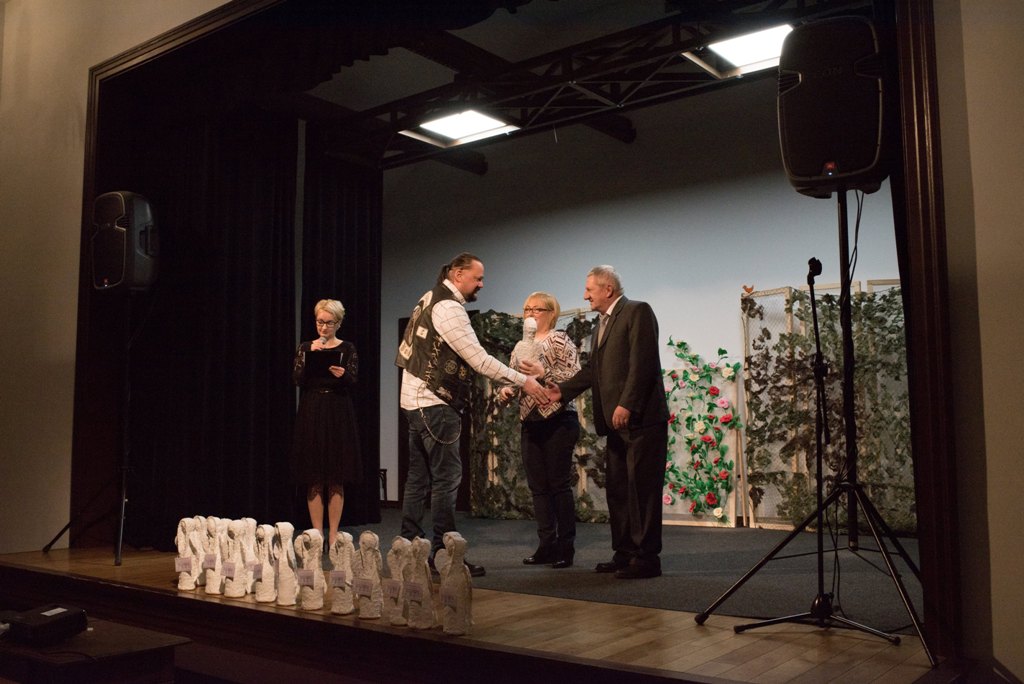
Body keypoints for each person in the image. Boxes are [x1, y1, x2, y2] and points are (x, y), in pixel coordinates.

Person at [396, 252, 549, 577]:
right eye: (477, 278)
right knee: (446, 479)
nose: (481, 284)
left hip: (413, 401)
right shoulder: (449, 308)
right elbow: (478, 360)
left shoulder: (429, 297)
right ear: (457, 274)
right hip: (435, 403)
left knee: (418, 479)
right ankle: (444, 554)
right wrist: (524, 381)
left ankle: (408, 550)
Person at [536, 265, 668, 579]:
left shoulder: (637, 311)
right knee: (618, 490)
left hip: (642, 420)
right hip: (616, 423)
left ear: (607, 289)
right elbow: (593, 370)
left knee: (642, 490)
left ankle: (647, 559)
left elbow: (643, 363)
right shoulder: (601, 324)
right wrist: (562, 391)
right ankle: (624, 553)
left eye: (589, 290)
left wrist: (627, 404)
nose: (585, 296)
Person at [497, 292, 581, 568]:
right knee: (538, 488)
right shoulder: (521, 346)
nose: (530, 314)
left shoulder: (559, 339)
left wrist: (544, 373)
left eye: (537, 309)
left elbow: (575, 377)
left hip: (558, 419)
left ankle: (565, 547)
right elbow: (512, 377)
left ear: (551, 313)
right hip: (530, 421)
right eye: (526, 309)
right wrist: (506, 390)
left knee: (558, 485)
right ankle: (546, 545)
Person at [290, 299, 362, 551]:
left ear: (338, 323)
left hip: (337, 410)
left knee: (335, 475)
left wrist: (343, 375)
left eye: (328, 323)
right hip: (312, 409)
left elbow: (354, 379)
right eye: (319, 322)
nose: (323, 327)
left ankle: (333, 534)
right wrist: (310, 357)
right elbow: (297, 378)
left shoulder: (347, 348)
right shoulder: (306, 347)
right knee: (313, 475)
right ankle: (317, 533)